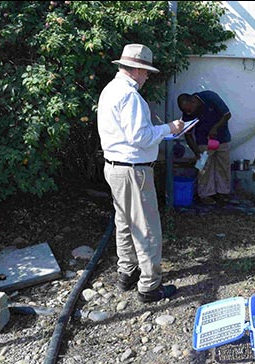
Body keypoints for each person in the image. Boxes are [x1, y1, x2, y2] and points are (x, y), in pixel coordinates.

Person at [97, 43, 185, 302]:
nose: (147, 76)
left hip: (114, 167)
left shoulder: (110, 90)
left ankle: (127, 272)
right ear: (136, 69)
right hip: (134, 171)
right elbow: (140, 137)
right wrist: (170, 128)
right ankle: (149, 286)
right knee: (146, 228)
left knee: (124, 223)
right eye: (146, 71)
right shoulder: (130, 96)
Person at [177, 91, 232, 205]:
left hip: (222, 138)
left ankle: (223, 193)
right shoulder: (187, 113)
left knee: (223, 165)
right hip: (203, 142)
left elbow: (227, 115)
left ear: (193, 101)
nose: (187, 113)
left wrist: (215, 128)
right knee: (202, 168)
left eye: (189, 109)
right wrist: (196, 152)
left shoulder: (210, 96)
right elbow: (188, 135)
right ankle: (205, 194)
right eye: (185, 111)